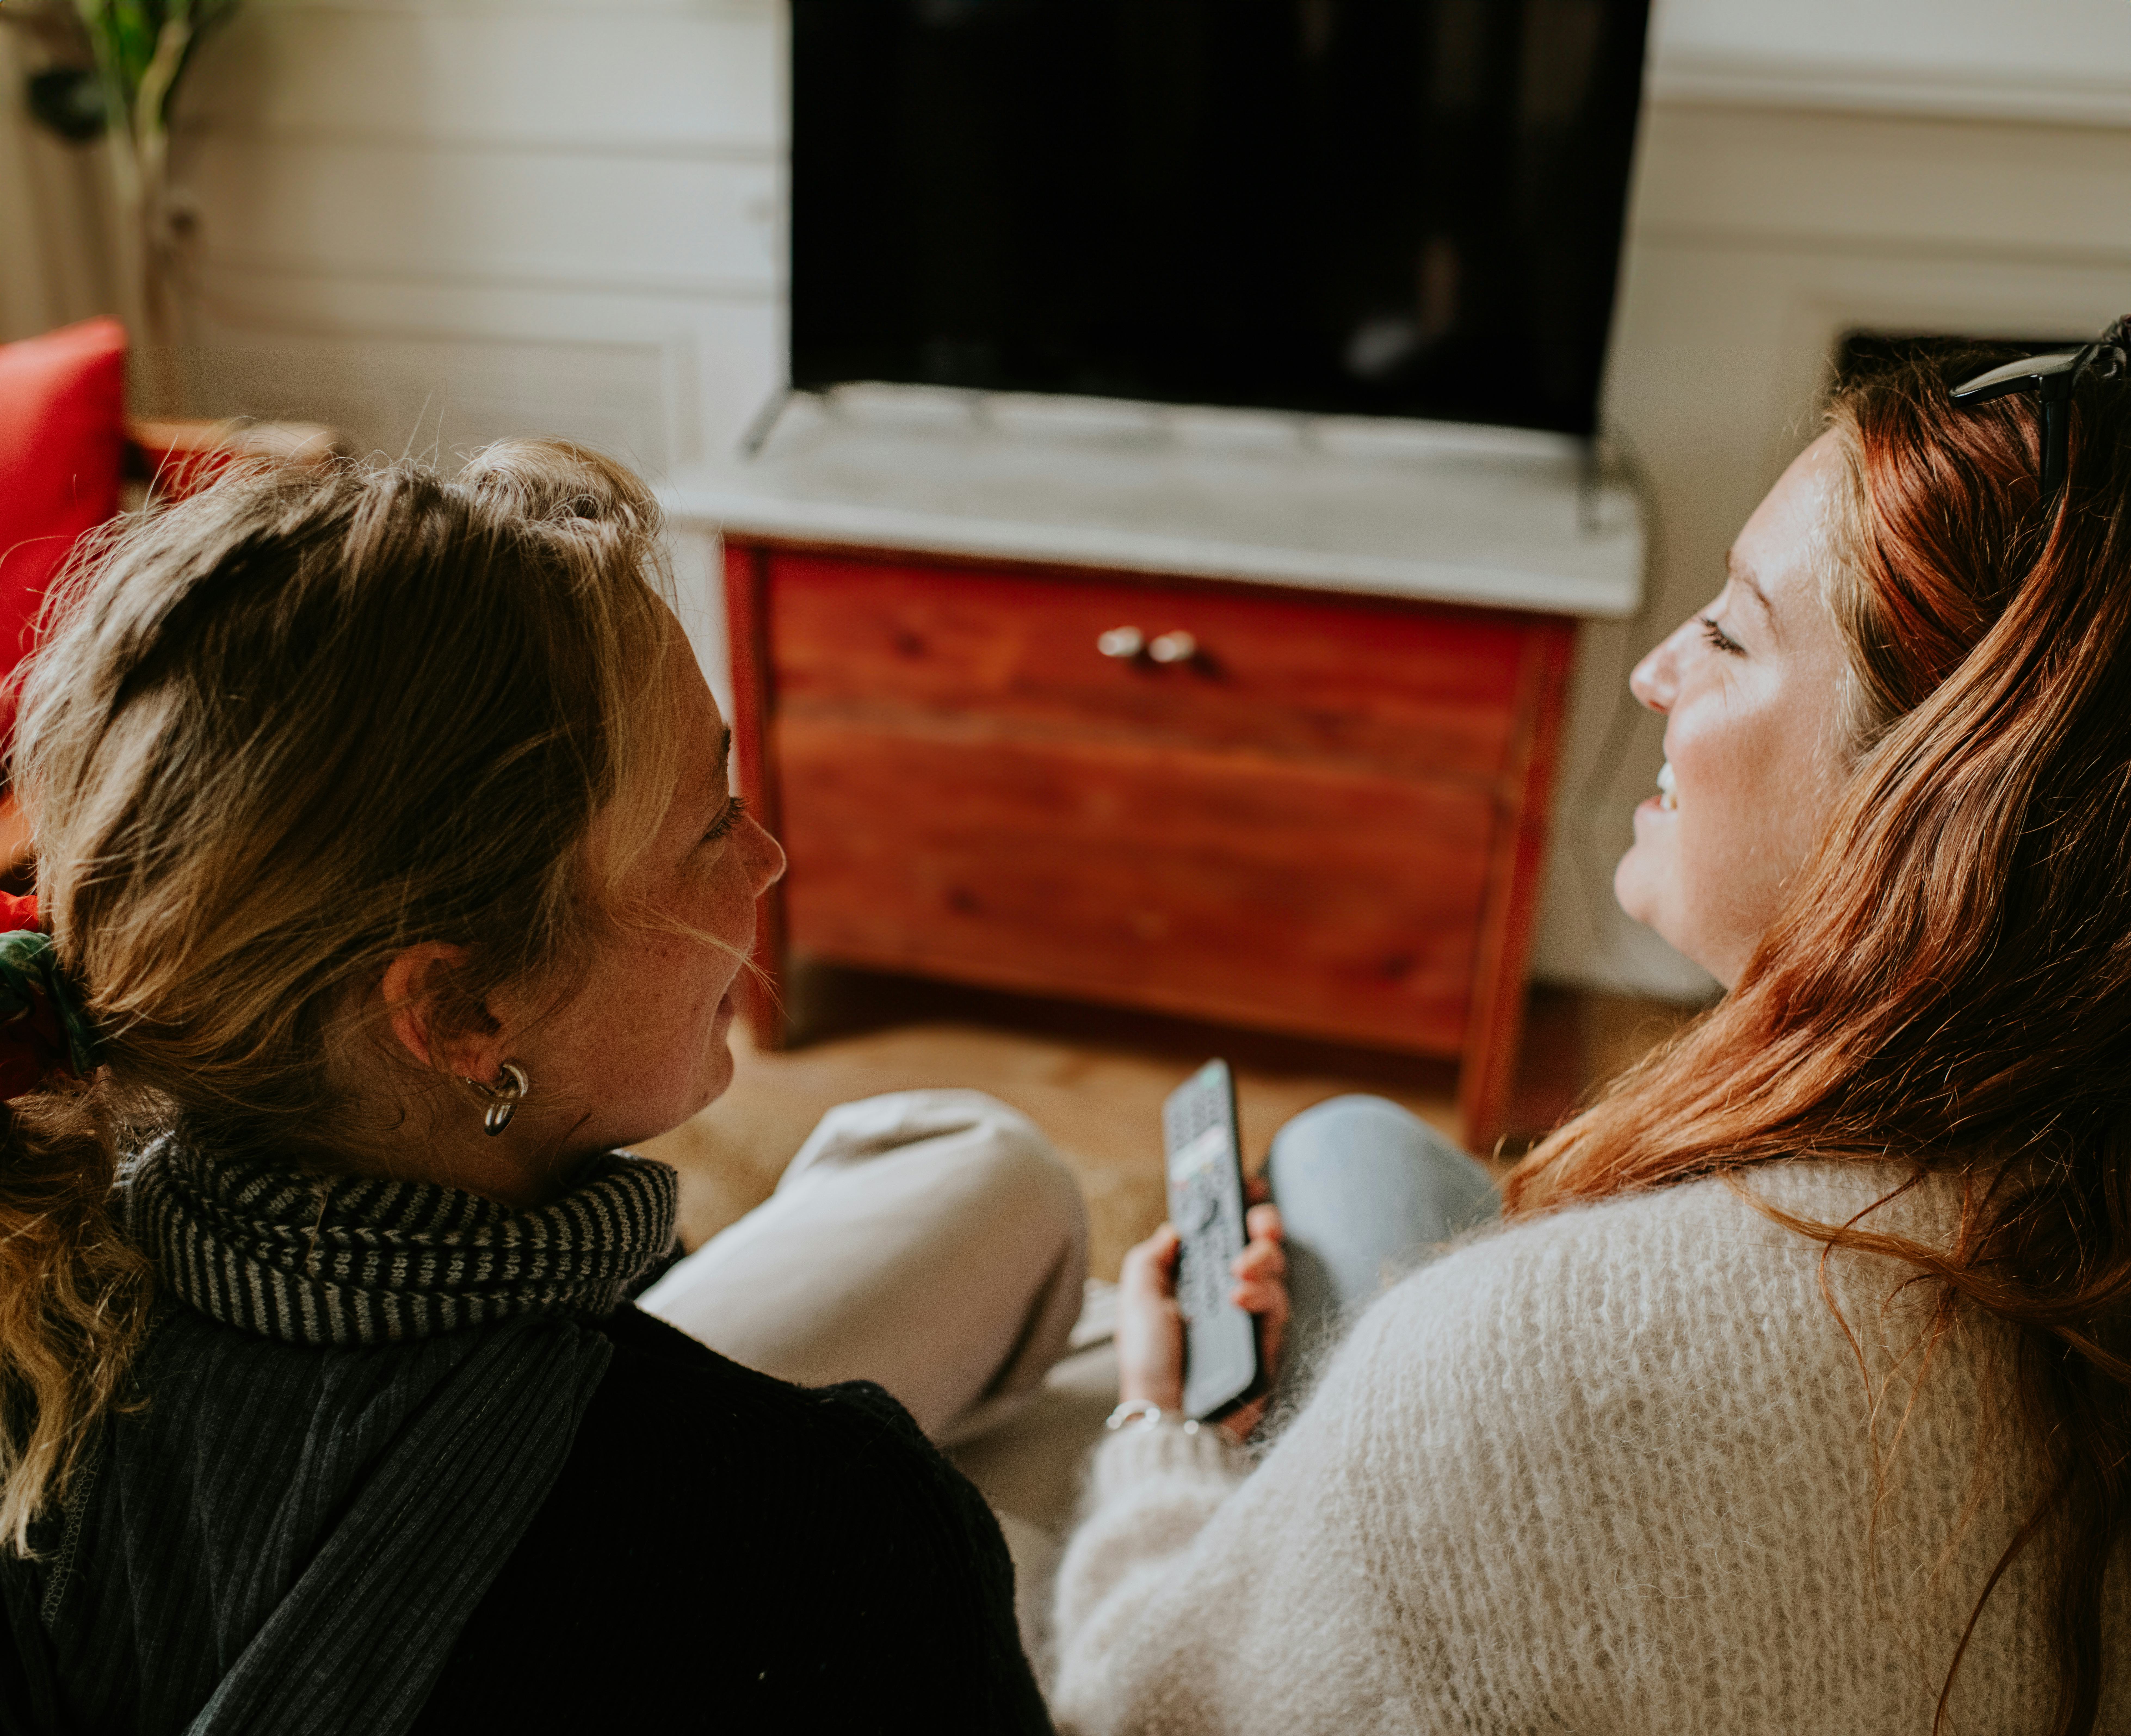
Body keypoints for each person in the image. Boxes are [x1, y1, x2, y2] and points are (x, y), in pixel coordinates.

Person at [1051, 327, 2131, 1734]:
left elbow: (1135, 1705)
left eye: (1731, 631)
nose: (1652, 671)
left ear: (1930, 804)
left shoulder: (1536, 1355)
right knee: (1353, 1149)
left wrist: (1162, 1424)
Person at [0, 441, 1085, 1734]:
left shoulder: (46, 1298)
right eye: (705, 823)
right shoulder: (831, 1533)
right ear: (460, 1013)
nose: (769, 857)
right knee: (1039, 1301)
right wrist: (1165, 1473)